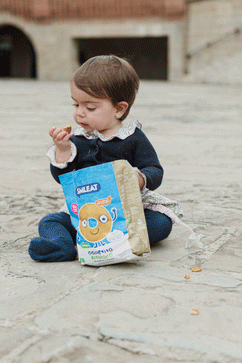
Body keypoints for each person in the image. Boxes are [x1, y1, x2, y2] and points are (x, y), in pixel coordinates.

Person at [28, 55, 182, 262]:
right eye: (75, 105)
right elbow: (62, 178)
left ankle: (118, 239)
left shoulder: (133, 138)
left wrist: (139, 178)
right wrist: (63, 152)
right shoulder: (78, 140)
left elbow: (155, 169)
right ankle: (61, 246)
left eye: (90, 108)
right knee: (50, 222)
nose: (80, 114)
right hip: (86, 211)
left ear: (119, 109)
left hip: (127, 210)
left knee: (160, 223)